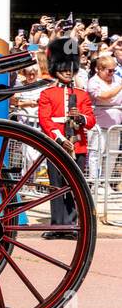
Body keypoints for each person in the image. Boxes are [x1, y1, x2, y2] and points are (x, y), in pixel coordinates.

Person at [38, 37, 95, 237]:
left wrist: (80, 118)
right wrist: (60, 140)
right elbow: (45, 120)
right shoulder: (47, 93)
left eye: (70, 67)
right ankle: (57, 226)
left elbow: (91, 120)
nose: (67, 71)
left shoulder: (81, 94)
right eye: (63, 67)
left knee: (74, 187)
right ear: (55, 68)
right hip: (57, 145)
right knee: (56, 186)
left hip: (78, 145)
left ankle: (71, 225)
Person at [86, 52, 122, 188]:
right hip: (98, 125)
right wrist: (120, 87)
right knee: (96, 153)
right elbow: (104, 96)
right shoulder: (93, 82)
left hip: (115, 124)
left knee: (112, 155)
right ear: (99, 69)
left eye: (114, 70)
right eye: (109, 70)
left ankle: (105, 183)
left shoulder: (117, 80)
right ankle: (95, 183)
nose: (112, 73)